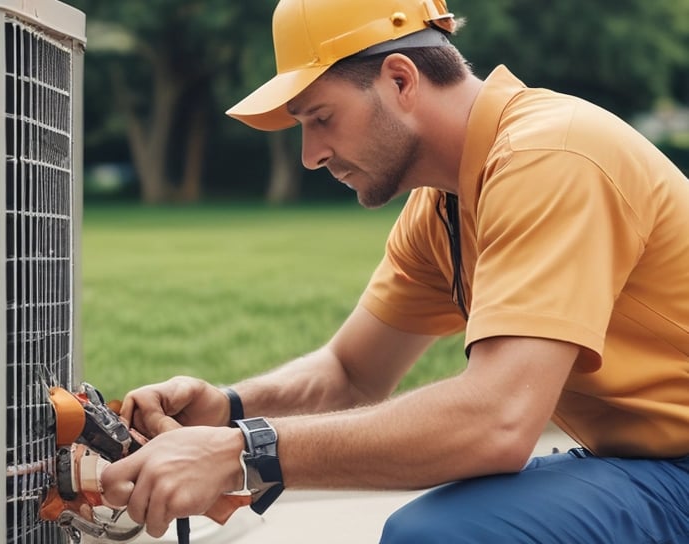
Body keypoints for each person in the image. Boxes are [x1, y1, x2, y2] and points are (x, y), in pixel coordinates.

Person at [99, 0, 689, 541]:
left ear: (401, 79)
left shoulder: (551, 159)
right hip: (644, 460)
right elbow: (351, 372)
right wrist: (228, 410)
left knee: (442, 536)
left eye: (321, 117)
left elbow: (498, 420)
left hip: (671, 466)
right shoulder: (446, 204)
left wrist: (240, 452)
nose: (311, 156)